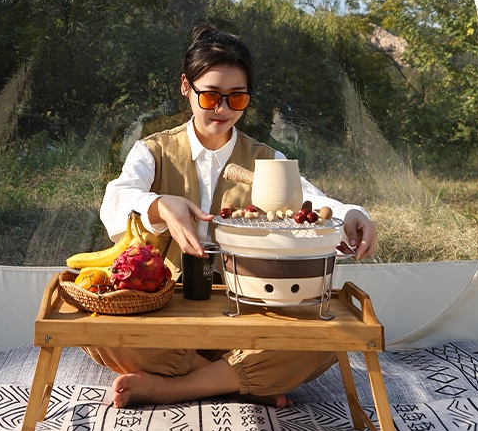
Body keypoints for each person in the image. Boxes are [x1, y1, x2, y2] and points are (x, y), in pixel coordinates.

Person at [85, 23, 377, 409]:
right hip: (167, 312)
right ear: (186, 87)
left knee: (325, 340)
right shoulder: (153, 151)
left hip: (249, 312)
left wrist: (351, 214)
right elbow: (116, 203)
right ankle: (241, 380)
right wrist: (160, 205)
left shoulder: (266, 159)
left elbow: (310, 201)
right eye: (210, 96)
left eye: (236, 98)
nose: (222, 109)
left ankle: (172, 387)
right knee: (97, 328)